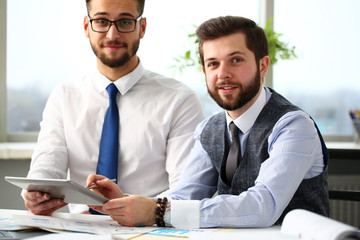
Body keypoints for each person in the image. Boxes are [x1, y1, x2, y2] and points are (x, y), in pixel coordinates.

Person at [86, 16, 330, 228]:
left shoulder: (294, 126)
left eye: (236, 60)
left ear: (262, 65)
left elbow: (263, 206)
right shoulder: (209, 129)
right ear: (204, 72)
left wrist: (157, 211)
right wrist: (126, 203)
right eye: (213, 63)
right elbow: (185, 196)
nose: (222, 73)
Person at [23, 0, 204, 216]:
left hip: (150, 230)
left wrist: (139, 209)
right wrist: (36, 194)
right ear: (86, 27)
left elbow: (186, 191)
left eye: (125, 22)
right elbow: (47, 168)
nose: (112, 35)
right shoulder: (63, 97)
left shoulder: (179, 100)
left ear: (142, 27)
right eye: (101, 21)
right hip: (79, 229)